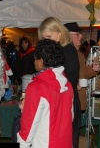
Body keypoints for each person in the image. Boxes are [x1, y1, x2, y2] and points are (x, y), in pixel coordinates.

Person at [17, 39, 74, 148]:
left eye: (35, 59)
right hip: (65, 143)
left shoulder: (36, 88)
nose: (34, 63)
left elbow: (28, 128)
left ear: (41, 60)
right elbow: (70, 117)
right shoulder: (68, 85)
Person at [38, 17, 80, 148]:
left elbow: (66, 81)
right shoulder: (59, 50)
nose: (47, 41)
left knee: (66, 140)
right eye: (44, 38)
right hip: (61, 101)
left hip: (67, 102)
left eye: (49, 36)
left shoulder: (68, 51)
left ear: (60, 33)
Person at [64, 22, 100, 113]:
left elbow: (83, 73)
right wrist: (72, 85)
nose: (81, 36)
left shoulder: (79, 55)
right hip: (66, 100)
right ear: (67, 36)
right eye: (77, 34)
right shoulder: (61, 54)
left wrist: (94, 68)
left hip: (77, 100)